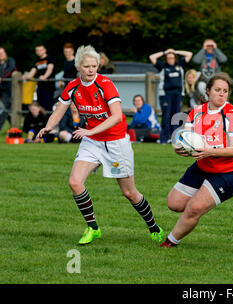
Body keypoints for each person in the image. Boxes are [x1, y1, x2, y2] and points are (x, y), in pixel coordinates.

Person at [36, 45, 164, 245]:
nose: (91, 70)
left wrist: (89, 130)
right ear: (78, 67)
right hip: (92, 142)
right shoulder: (73, 86)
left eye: (94, 66)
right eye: (86, 66)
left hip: (116, 142)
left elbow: (116, 117)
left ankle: (153, 227)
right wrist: (48, 127)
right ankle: (93, 228)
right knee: (75, 182)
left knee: (129, 193)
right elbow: (59, 110)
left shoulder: (105, 84)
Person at [160, 73, 233, 248]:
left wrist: (209, 151)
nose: (221, 94)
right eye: (217, 90)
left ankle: (170, 242)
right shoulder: (197, 112)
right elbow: (186, 138)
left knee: (193, 208)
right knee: (174, 203)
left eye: (225, 91)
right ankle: (194, 212)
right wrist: (181, 149)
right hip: (203, 165)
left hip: (230, 172)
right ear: (207, 91)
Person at [149, 48, 193, 144]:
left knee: (176, 117)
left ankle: (175, 138)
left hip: (178, 95)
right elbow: (151, 57)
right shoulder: (162, 66)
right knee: (166, 116)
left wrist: (175, 51)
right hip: (166, 95)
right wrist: (165, 52)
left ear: (175, 58)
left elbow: (189, 54)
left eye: (172, 58)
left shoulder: (180, 65)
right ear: (166, 59)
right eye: (168, 58)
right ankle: (164, 139)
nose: (170, 59)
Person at [23, 44, 56, 111]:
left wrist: (44, 76)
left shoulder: (49, 59)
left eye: (41, 50)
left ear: (45, 50)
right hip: (40, 87)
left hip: (49, 87)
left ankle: (49, 121)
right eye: (37, 50)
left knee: (48, 107)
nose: (39, 52)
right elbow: (32, 72)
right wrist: (25, 76)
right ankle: (42, 121)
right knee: (40, 107)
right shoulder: (37, 62)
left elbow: (50, 69)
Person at [0, 47, 16, 129]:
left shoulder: (10, 60)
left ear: (5, 53)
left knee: (5, 108)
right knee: (7, 109)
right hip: (2, 90)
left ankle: (14, 128)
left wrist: (1, 77)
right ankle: (14, 128)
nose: (1, 55)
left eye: (2, 52)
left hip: (11, 89)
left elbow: (12, 69)